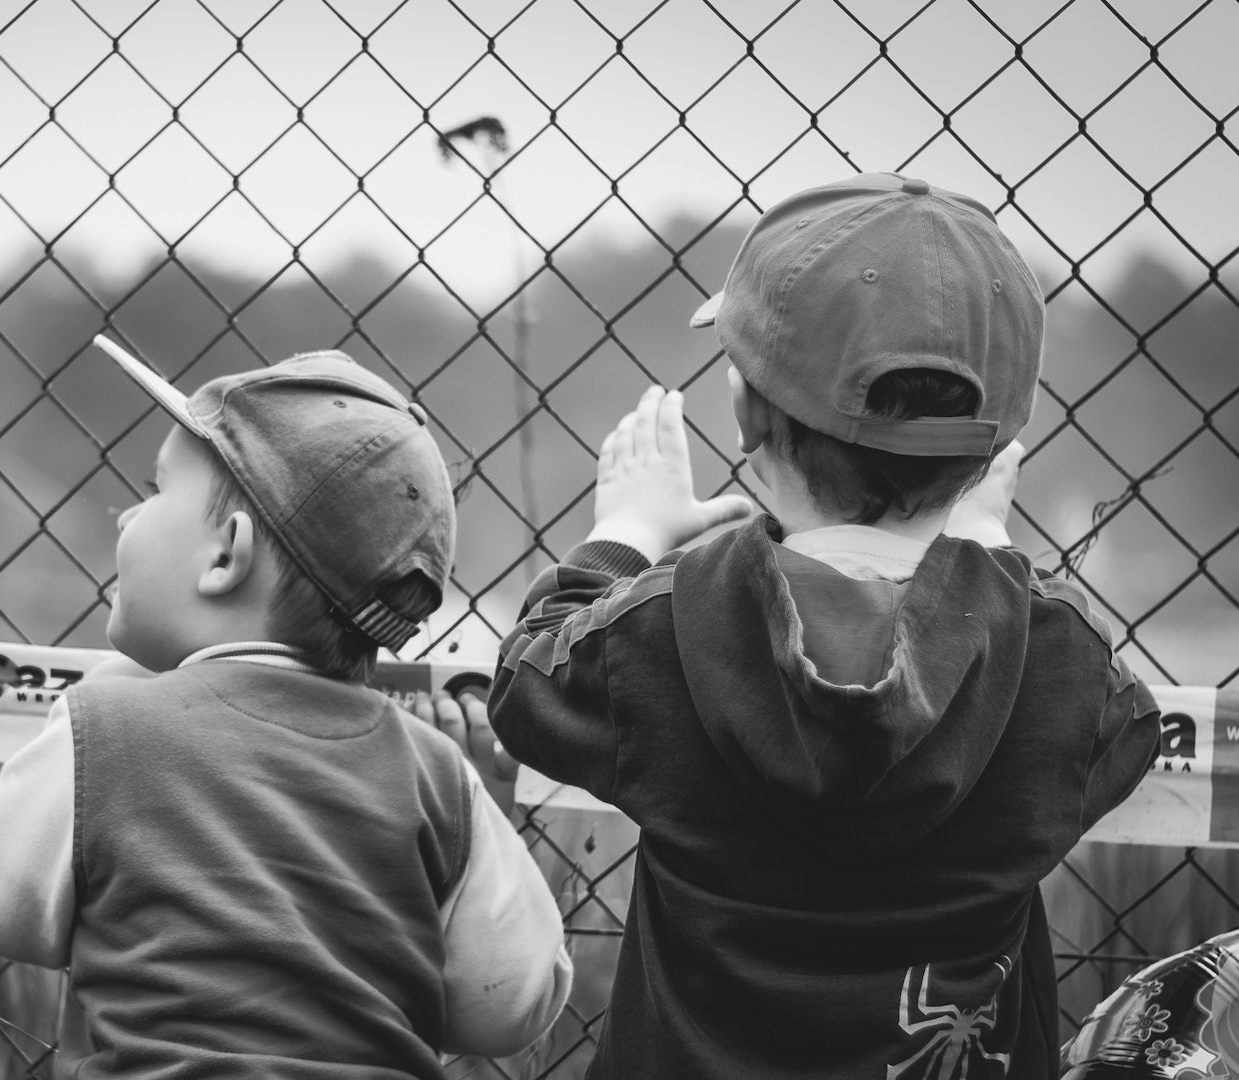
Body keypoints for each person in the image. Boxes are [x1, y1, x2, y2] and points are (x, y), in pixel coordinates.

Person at [487, 173, 1162, 1079]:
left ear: (745, 408)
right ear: (998, 447)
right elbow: (1131, 731)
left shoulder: (669, 626)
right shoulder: (1052, 657)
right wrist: (988, 554)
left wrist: (626, 534)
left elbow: (527, 682)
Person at [0, 338, 572, 1078]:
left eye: (153, 489)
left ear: (225, 557)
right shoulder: (437, 775)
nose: (125, 519)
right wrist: (480, 811)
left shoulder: (106, 730)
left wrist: (94, 703)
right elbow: (508, 1007)